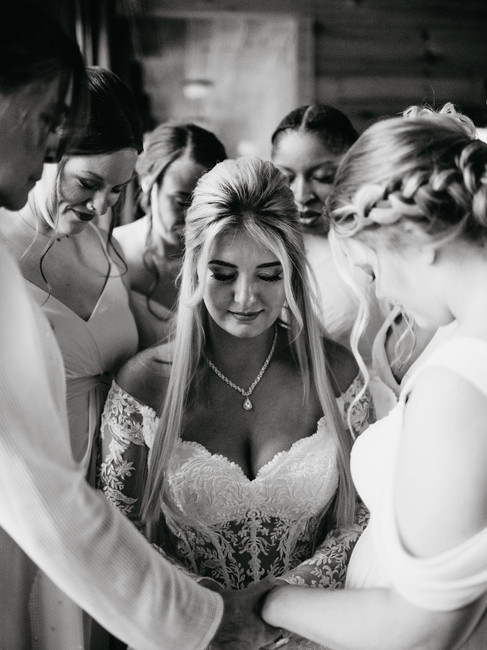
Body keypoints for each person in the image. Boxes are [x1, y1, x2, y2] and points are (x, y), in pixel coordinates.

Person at [0, 3, 273, 649]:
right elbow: (29, 482)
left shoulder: (108, 252)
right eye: (47, 125)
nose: (45, 154)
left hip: (104, 499)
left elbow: (165, 342)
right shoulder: (7, 254)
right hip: (44, 514)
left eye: (114, 191)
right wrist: (201, 621)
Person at [100, 157, 375, 649]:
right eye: (223, 273)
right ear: (193, 268)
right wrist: (212, 610)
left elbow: (365, 520)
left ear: (291, 271)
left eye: (268, 274)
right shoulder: (144, 385)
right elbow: (117, 533)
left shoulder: (338, 375)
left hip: (313, 635)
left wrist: (282, 604)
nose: (245, 297)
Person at [260, 107, 487, 648]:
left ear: (419, 236)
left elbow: (422, 632)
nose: (381, 288)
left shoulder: (458, 381)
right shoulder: (461, 339)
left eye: (375, 265)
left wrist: (271, 601)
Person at [270, 104, 384, 362]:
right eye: (286, 177)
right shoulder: (265, 246)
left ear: (354, 168)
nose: (300, 195)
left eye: (323, 176)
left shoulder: (376, 246)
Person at [114, 122, 227, 349]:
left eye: (206, 204)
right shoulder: (113, 251)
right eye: (180, 201)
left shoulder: (225, 259)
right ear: (147, 182)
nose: (192, 217)